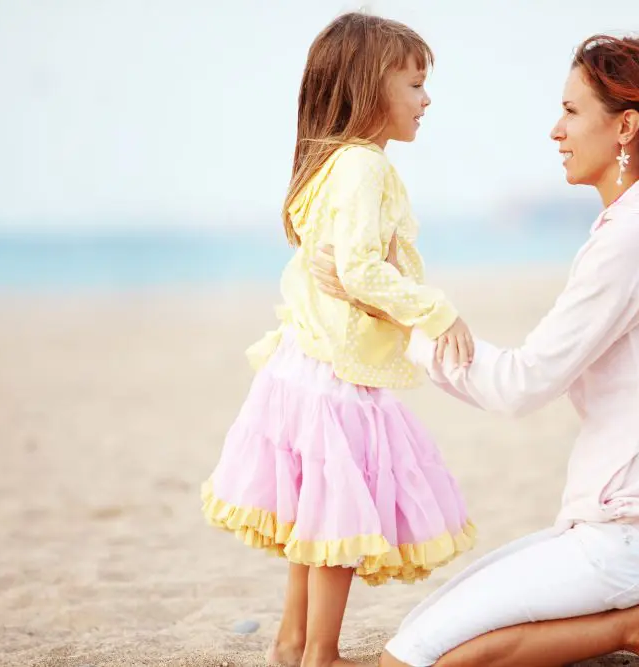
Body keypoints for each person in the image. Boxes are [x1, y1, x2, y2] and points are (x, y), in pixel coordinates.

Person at [310, 33, 639, 667]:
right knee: (419, 631)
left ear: (625, 126)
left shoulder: (635, 241)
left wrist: (397, 313)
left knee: (407, 661)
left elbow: (517, 386)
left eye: (572, 111)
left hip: (637, 537)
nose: (555, 130)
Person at [199, 12, 479, 667]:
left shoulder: (332, 164)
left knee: (317, 520)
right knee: (340, 526)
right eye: (413, 85)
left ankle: (291, 643)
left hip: (303, 364)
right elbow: (358, 269)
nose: (426, 99)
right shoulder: (364, 169)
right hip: (337, 375)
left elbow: (336, 265)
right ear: (366, 87)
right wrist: (436, 311)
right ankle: (321, 653)